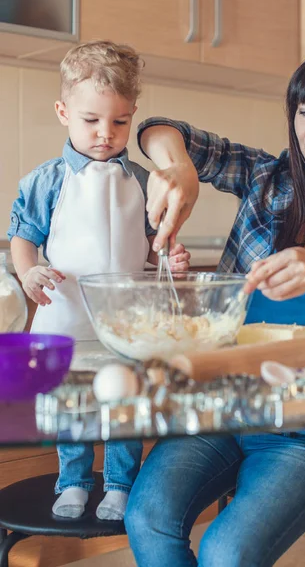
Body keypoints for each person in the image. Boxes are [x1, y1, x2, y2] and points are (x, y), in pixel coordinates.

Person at [123, 42, 305, 566]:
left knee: (228, 551)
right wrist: (177, 165)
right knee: (148, 516)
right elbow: (157, 128)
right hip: (223, 409)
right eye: (304, 110)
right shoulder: (272, 183)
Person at [7, 40, 190, 521]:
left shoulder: (145, 179)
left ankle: (120, 483)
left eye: (120, 122)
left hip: (126, 321)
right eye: (91, 121)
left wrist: (169, 258)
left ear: (133, 115)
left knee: (123, 401)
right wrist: (29, 272)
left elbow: (156, 245)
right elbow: (22, 240)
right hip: (64, 313)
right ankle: (73, 480)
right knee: (73, 404)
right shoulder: (45, 181)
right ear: (64, 112)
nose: (105, 134)